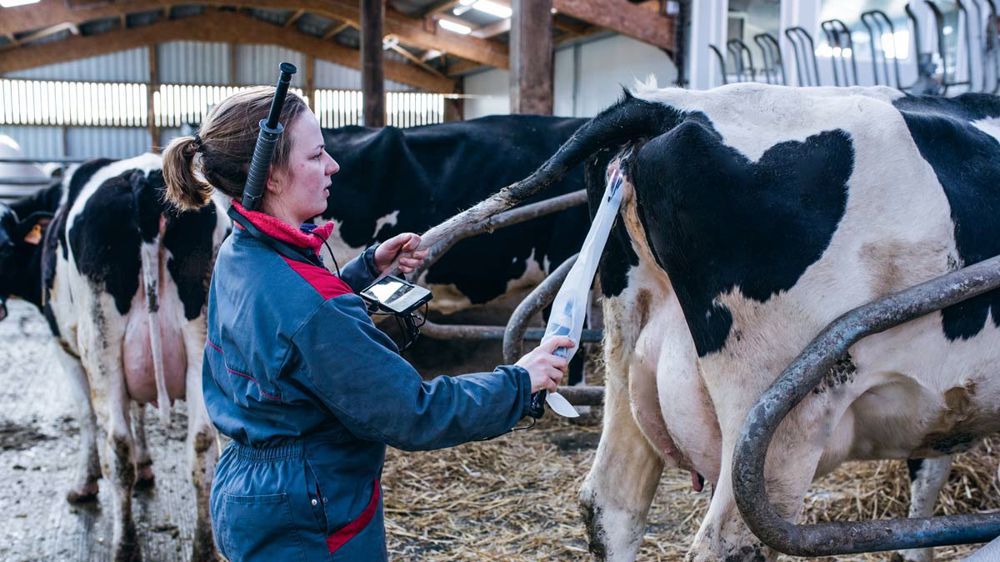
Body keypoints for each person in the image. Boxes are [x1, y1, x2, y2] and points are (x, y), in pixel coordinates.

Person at [162, 87, 572, 562]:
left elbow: (289, 331)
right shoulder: (313, 306)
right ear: (271, 176)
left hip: (252, 491)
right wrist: (520, 382)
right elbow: (415, 413)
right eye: (316, 155)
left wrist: (365, 270)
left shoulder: (240, 252)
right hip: (310, 517)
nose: (334, 166)